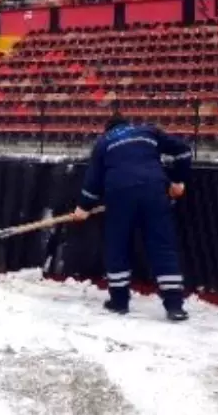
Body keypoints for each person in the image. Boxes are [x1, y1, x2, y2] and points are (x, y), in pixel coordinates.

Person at [72, 115, 192, 322]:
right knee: (162, 247)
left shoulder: (104, 142)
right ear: (128, 124)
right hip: (154, 191)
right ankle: (174, 306)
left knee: (118, 245)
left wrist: (83, 207)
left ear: (107, 129)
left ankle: (119, 302)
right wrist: (178, 180)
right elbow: (184, 150)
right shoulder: (148, 131)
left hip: (119, 195)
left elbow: (93, 180)